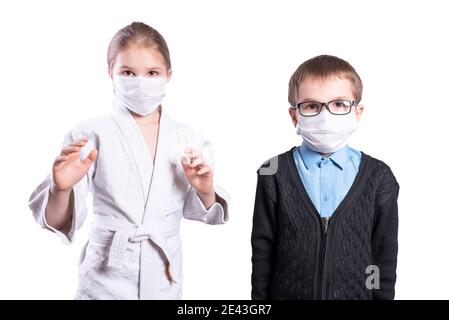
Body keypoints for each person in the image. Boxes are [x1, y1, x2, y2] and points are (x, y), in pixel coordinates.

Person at [29, 22, 229, 300]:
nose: (140, 81)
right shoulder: (89, 135)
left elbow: (209, 215)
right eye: (128, 72)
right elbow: (55, 220)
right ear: (110, 72)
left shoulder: (188, 139)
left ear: (168, 75)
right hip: (104, 280)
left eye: (152, 73)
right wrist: (60, 188)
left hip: (163, 279)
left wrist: (206, 190)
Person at [251, 55, 399, 300]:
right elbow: (263, 252)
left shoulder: (379, 176)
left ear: (357, 112)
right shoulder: (273, 172)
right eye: (311, 106)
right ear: (294, 115)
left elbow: (383, 258)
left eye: (339, 104)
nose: (325, 115)